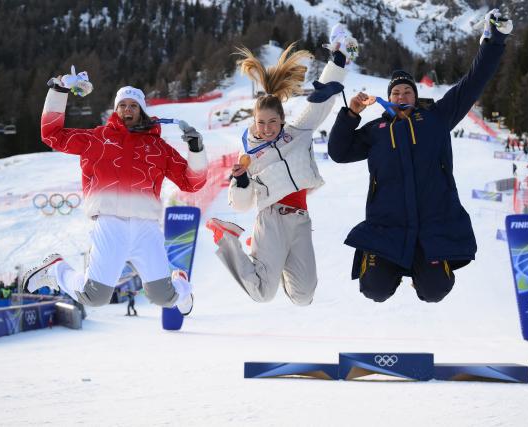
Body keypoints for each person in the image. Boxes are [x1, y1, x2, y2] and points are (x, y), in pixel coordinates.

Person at [327, 9, 512, 303]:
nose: (401, 97)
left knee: (435, 291)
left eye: (407, 92)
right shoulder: (376, 130)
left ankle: (422, 272)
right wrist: (351, 115)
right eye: (396, 92)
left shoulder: (437, 118)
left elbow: (473, 83)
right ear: (389, 97)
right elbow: (338, 152)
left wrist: (495, 41)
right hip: (386, 227)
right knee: (374, 288)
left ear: (415, 96)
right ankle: (387, 267)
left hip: (432, 226)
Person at [23, 69, 208, 316]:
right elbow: (52, 135)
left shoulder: (158, 148)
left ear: (142, 110)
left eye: (133, 105)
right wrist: (59, 91)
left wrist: (196, 150)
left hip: (146, 228)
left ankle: (181, 282)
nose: (128, 110)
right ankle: (57, 269)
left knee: (164, 297)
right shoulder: (97, 139)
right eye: (123, 105)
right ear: (115, 110)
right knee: (94, 297)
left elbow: (191, 183)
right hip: (110, 224)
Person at [205, 26, 356, 305]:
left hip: (300, 219)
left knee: (303, 296)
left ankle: (270, 260)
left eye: (272, 122)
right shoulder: (248, 154)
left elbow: (321, 101)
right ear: (254, 122)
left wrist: (338, 60)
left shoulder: (297, 133)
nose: (266, 128)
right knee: (263, 293)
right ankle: (227, 239)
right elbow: (241, 204)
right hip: (271, 219)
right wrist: (240, 181)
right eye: (261, 123)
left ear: (282, 120)